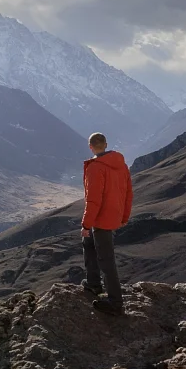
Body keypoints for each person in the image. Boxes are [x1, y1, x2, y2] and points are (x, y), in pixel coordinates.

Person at [80, 132, 133, 315]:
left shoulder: (96, 168)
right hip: (114, 214)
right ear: (106, 144)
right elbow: (128, 193)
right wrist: (124, 217)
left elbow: (93, 200)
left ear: (90, 147)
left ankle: (115, 302)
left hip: (101, 218)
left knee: (106, 259)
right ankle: (93, 282)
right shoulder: (121, 165)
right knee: (88, 243)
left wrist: (86, 225)